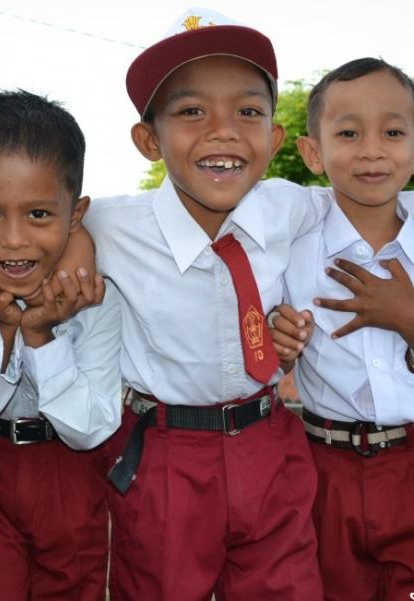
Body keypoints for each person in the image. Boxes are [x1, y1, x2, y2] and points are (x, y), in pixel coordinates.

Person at [84, 9, 330, 600]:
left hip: (270, 439)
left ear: (273, 138)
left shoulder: (290, 206)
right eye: (192, 112)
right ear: (149, 140)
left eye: (248, 112)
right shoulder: (106, 226)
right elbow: (11, 214)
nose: (223, 131)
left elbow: (374, 198)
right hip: (165, 455)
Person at [0, 90, 121, 600]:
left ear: (75, 213)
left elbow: (91, 429)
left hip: (70, 475)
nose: (14, 240)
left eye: (39, 214)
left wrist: (38, 334)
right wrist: (0, 328)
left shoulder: (98, 302)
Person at [269, 57, 414, 601]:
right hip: (323, 466)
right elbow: (263, 353)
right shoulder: (289, 246)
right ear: (313, 152)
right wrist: (280, 346)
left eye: (394, 131)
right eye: (349, 133)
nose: (373, 149)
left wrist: (409, 317)